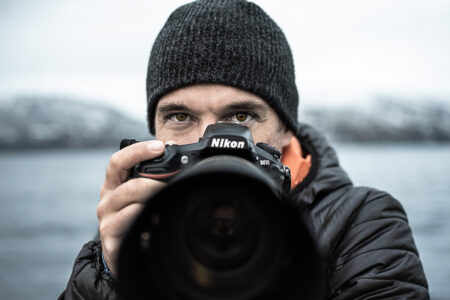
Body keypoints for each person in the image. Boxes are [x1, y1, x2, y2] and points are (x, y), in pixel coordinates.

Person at [59, 0, 429, 299]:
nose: (211, 139)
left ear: (286, 130)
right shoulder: (141, 223)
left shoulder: (360, 222)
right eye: (180, 116)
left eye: (240, 115)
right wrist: (112, 275)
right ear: (153, 133)